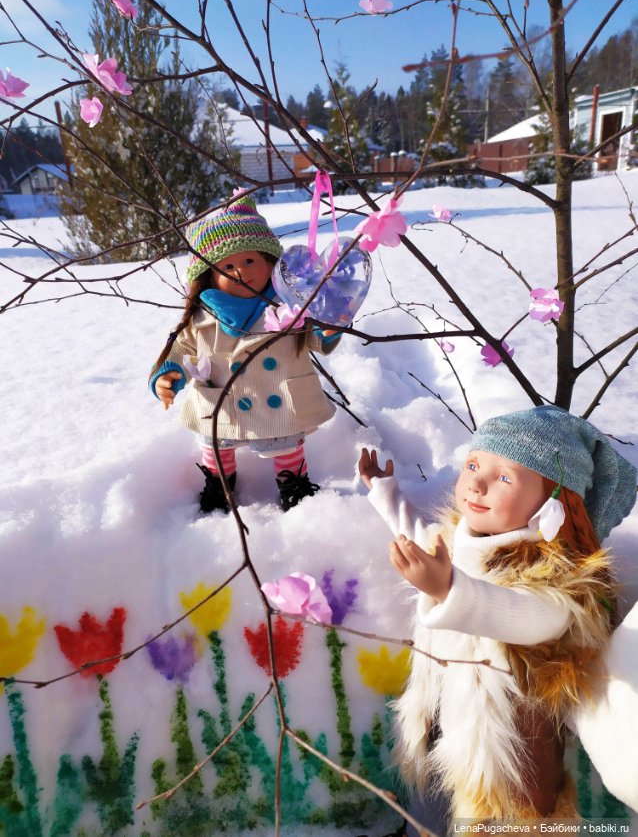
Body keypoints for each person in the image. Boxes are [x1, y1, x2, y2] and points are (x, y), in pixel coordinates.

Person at [358, 406, 637, 828]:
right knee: (448, 794)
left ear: (553, 503)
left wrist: (447, 590)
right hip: (453, 717)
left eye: (504, 477)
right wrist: (384, 492)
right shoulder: (458, 540)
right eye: (473, 464)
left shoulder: (560, 583)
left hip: (514, 747)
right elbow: (418, 538)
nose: (476, 482)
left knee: (514, 819)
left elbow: (524, 615)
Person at [150, 195, 340, 513]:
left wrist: (327, 329)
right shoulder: (202, 315)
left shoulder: (291, 305)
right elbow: (183, 347)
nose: (240, 271)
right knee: (216, 445)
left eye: (249, 261)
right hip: (222, 400)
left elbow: (313, 338)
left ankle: (294, 485)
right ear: (210, 276)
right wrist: (169, 374)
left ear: (269, 261)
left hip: (280, 399)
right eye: (227, 266)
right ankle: (219, 483)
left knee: (287, 448)